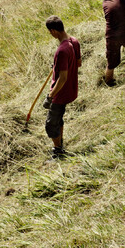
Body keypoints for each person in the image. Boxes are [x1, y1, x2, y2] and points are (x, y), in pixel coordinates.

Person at [44, 15, 81, 159]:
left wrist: (50, 96)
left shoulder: (61, 51)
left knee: (51, 123)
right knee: (59, 119)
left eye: (50, 32)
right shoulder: (74, 41)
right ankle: (60, 143)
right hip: (71, 89)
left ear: (53, 31)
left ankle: (58, 151)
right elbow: (78, 63)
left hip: (60, 93)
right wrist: (58, 66)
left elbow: (63, 78)